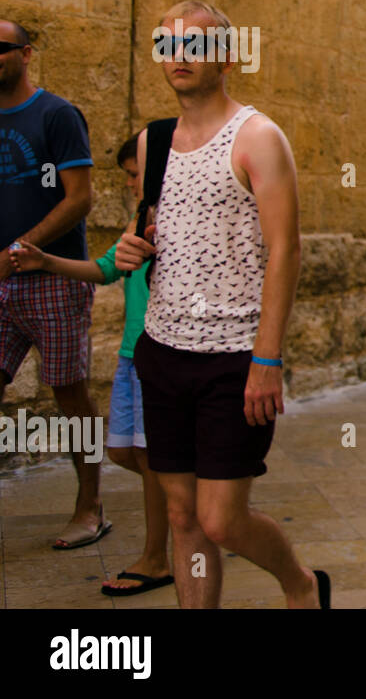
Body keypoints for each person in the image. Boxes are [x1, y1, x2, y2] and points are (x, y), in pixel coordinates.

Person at [112, 0, 327, 609]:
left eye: (195, 44)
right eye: (168, 44)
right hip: (162, 349)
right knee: (181, 515)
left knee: (222, 520)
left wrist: (268, 358)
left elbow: (285, 250)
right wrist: (135, 247)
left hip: (234, 358)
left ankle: (301, 583)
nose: (179, 57)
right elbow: (158, 227)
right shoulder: (154, 141)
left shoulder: (258, 137)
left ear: (227, 57)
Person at [9, 132, 174, 595]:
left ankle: (157, 555)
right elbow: (104, 269)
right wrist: (48, 261)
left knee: (149, 456)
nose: (127, 183)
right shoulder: (138, 219)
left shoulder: (180, 222)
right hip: (130, 356)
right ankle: (190, 498)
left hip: (158, 357)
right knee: (123, 452)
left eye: (133, 173)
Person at [0, 18, 107, 550]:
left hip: (52, 279)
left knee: (69, 393)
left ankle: (90, 505)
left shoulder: (56, 114)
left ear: (26, 53)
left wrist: (22, 251)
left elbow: (80, 197)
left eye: (2, 47)